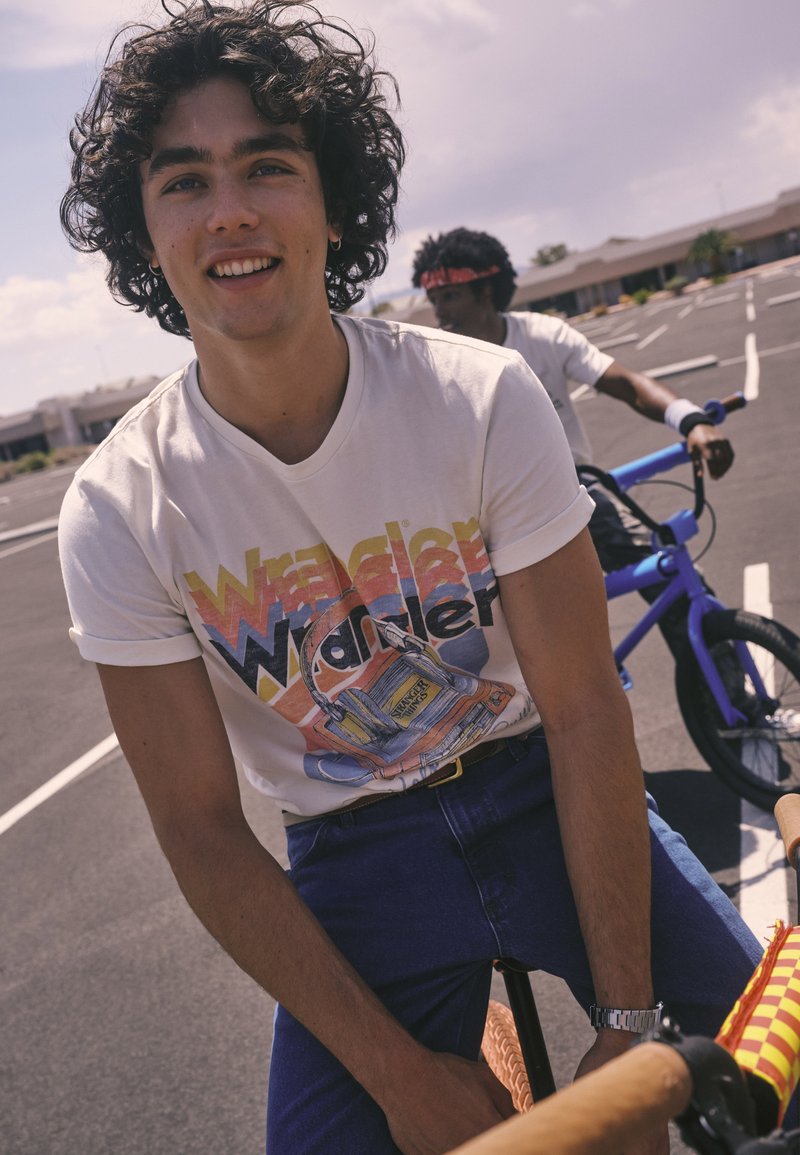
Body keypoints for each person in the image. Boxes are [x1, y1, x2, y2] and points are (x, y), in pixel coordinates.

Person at [58, 4, 760, 1154]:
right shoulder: (116, 508)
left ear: (332, 205)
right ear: (145, 236)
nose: (230, 210)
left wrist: (631, 1024)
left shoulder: (479, 398)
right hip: (351, 853)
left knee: (765, 1073)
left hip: (539, 789)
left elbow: (583, 709)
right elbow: (199, 829)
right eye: (184, 181)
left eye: (267, 167)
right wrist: (396, 1077)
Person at [411, 227, 732, 658]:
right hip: (490, 519)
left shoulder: (542, 335)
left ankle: (737, 713)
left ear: (486, 290)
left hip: (576, 492)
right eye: (435, 300)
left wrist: (690, 420)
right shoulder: (439, 365)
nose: (439, 312)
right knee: (513, 645)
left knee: (670, 577)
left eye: (450, 297)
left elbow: (626, 384)